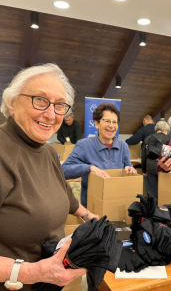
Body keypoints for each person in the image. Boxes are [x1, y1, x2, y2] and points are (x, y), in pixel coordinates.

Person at [0, 64, 99, 291]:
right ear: (11, 102)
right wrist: (32, 272)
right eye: (40, 100)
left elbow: (61, 191)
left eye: (59, 105)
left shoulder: (46, 150)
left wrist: (87, 215)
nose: (51, 114)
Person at [62, 102, 136, 207]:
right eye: (107, 121)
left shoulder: (123, 146)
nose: (111, 126)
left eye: (115, 122)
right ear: (97, 123)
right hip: (93, 205)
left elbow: (128, 166)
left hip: (118, 202)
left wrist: (130, 169)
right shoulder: (84, 145)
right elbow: (64, 170)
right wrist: (89, 168)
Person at [142, 121, 170, 200]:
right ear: (165, 130)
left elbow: (143, 156)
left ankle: (153, 209)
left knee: (152, 191)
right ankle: (163, 209)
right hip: (164, 167)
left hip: (150, 167)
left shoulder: (148, 138)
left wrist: (144, 170)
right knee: (164, 191)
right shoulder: (169, 139)